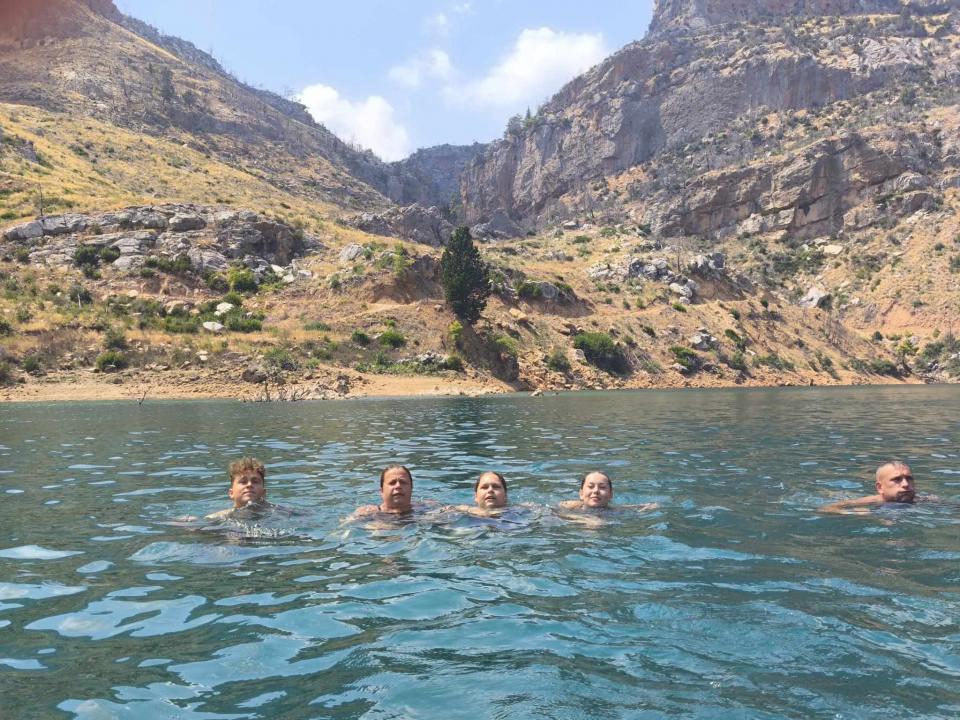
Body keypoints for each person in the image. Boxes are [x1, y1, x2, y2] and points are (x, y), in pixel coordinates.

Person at [820, 461, 920, 514]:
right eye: (897, 479)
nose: (906, 484)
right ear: (880, 487)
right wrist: (853, 513)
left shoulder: (922, 500)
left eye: (909, 479)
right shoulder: (870, 502)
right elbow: (826, 509)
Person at [205, 457, 271, 520]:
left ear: (263, 493)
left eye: (255, 482)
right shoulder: (216, 518)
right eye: (243, 482)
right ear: (231, 493)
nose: (249, 484)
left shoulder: (275, 512)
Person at [558, 471, 658, 513]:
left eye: (602, 487)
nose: (596, 491)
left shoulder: (614, 511)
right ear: (581, 494)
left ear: (611, 495)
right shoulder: (567, 507)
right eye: (590, 487)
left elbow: (631, 508)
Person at [348, 464, 415, 520]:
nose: (398, 486)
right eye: (392, 483)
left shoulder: (420, 511)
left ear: (411, 488)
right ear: (382, 491)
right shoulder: (365, 513)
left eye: (403, 482)